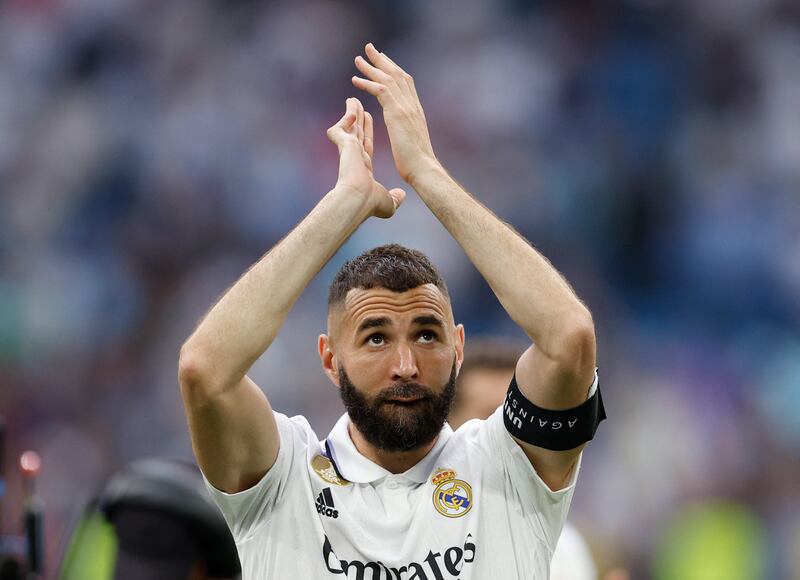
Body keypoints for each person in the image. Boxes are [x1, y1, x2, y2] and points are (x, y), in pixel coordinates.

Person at [178, 42, 605, 579]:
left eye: (427, 335)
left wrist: (426, 173)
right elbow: (204, 370)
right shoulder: (285, 479)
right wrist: (343, 205)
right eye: (376, 337)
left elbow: (569, 336)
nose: (405, 364)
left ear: (459, 349)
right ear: (329, 358)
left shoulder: (510, 468)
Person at [448, 340, 599, 580]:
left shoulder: (565, 553)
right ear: (447, 429)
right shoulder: (410, 535)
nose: (508, 438)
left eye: (519, 421)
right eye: (490, 419)